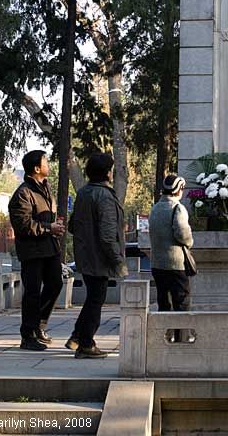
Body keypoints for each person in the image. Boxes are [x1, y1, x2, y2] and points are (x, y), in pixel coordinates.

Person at [66, 152, 128, 359]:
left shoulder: (84, 192)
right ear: (107, 173)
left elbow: (72, 225)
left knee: (93, 298)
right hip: (99, 258)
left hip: (85, 256)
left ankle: (77, 336)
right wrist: (118, 262)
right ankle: (86, 343)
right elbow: (108, 235)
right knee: (96, 300)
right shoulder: (105, 196)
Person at [9, 150, 65, 351]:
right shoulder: (23, 193)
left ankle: (39, 324)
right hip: (32, 251)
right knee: (32, 292)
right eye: (45, 161)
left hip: (50, 248)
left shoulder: (45, 188)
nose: (48, 164)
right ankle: (28, 335)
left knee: (56, 284)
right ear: (36, 168)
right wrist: (49, 228)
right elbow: (23, 225)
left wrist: (54, 226)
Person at [149, 174, 193, 342]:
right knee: (181, 302)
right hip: (176, 264)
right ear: (178, 190)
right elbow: (182, 234)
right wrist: (190, 242)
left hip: (157, 264)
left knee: (164, 302)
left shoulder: (155, 207)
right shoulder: (177, 208)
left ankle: (163, 338)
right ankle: (181, 338)